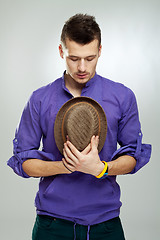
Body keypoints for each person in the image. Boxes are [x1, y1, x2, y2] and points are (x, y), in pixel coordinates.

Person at [7, 14, 151, 240]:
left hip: (105, 223)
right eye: (74, 58)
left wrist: (100, 168)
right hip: (52, 224)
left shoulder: (122, 96)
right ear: (61, 51)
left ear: (100, 51)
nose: (82, 67)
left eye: (90, 58)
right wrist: (65, 166)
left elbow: (133, 155)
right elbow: (24, 163)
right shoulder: (39, 99)